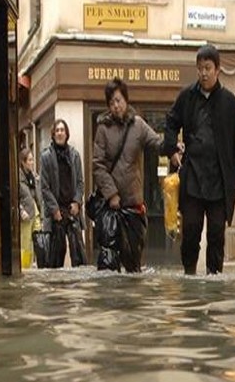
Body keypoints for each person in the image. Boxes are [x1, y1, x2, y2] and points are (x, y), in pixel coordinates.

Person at [161, 44, 235, 275]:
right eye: (200, 68)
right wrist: (172, 150)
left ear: (218, 70)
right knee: (190, 230)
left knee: (217, 233)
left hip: (219, 180)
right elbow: (170, 122)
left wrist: (234, 175)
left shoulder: (229, 102)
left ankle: (214, 277)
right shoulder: (187, 96)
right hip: (193, 177)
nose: (203, 73)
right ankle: (189, 273)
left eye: (208, 68)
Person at [91, 76, 162, 273]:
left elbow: (156, 142)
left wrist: (173, 147)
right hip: (111, 207)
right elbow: (98, 165)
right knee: (109, 265)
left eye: (119, 100)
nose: (116, 106)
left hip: (134, 205)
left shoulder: (138, 125)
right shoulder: (103, 129)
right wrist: (111, 194)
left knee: (133, 264)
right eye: (111, 102)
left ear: (126, 100)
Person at [39, 119, 86, 267]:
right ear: (53, 134)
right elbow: (44, 187)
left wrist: (77, 202)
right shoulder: (46, 156)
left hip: (72, 209)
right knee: (55, 257)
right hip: (56, 212)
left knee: (79, 255)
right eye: (57, 130)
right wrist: (54, 210)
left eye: (62, 130)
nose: (60, 133)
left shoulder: (75, 155)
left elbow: (80, 182)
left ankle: (79, 287)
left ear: (66, 134)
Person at [17, 147, 41, 269]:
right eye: (30, 160)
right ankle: (25, 267)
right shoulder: (18, 178)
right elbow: (15, 198)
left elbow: (38, 196)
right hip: (26, 213)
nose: (32, 163)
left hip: (35, 212)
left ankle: (37, 262)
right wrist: (21, 210)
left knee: (38, 238)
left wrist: (37, 182)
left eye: (32, 160)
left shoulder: (33, 177)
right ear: (23, 162)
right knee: (25, 244)